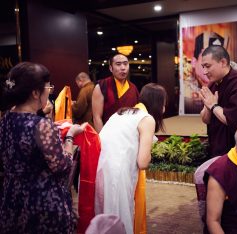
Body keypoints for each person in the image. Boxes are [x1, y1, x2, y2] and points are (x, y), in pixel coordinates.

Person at [0, 62, 87, 233]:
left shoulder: (6, 119)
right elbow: (62, 167)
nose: (49, 90)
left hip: (12, 200)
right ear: (35, 92)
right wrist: (70, 136)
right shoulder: (42, 126)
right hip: (42, 203)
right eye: (48, 86)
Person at [95, 83, 167, 234]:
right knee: (120, 218)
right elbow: (142, 162)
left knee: (103, 217)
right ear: (158, 104)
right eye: (164, 104)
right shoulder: (147, 119)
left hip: (98, 168)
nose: (164, 109)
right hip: (117, 173)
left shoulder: (122, 112)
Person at [92, 53, 139, 133]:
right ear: (111, 68)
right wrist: (103, 139)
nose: (123, 68)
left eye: (125, 64)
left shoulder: (133, 88)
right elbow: (97, 117)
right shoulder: (102, 86)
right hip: (109, 133)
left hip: (130, 133)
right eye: (118, 64)